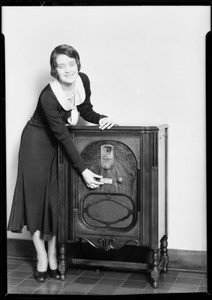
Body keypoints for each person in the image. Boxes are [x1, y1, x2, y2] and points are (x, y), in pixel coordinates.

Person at [7, 44, 116, 282]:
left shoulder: (82, 80)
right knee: (35, 202)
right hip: (36, 144)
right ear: (54, 70)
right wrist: (84, 170)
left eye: (71, 63)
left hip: (57, 143)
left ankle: (54, 256)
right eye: (61, 65)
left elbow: (86, 110)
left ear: (78, 64)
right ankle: (42, 258)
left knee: (54, 202)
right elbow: (63, 135)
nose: (68, 69)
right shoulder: (48, 96)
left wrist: (102, 118)